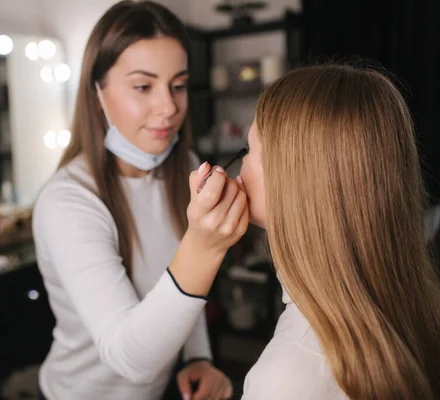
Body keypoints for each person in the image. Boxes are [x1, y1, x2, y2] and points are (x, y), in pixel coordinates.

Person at [32, 1, 247, 399]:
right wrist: (203, 246)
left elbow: (180, 286)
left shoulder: (182, 165)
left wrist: (197, 357)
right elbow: (129, 359)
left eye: (178, 85)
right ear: (98, 92)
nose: (168, 107)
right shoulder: (69, 202)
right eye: (143, 86)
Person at [235, 64, 440, 399]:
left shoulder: (285, 378)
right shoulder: (417, 310)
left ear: (293, 180)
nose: (239, 167)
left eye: (249, 151)